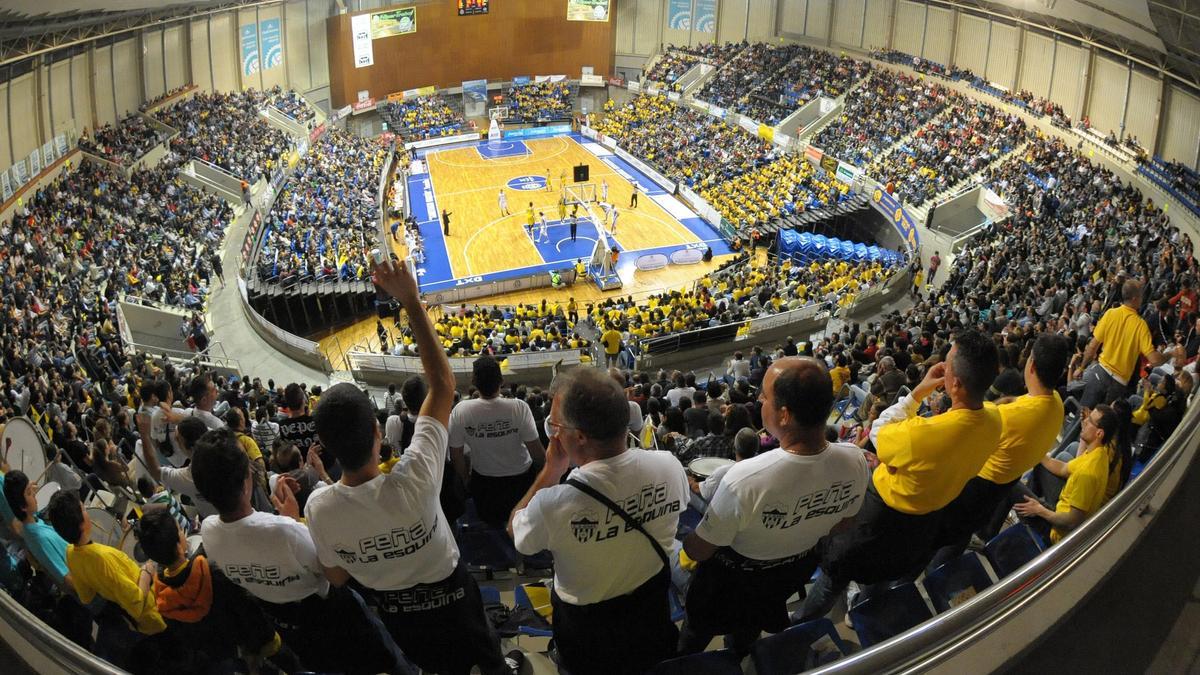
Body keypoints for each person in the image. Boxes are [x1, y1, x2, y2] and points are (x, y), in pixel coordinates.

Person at [304, 260, 514, 675]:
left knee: (432, 665)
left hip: (397, 613)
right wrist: (411, 303)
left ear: (325, 447)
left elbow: (336, 576)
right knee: (485, 656)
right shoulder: (415, 475)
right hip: (452, 595)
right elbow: (442, 385)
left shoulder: (318, 508)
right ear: (378, 433)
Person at [796, 330, 1002, 622]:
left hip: (879, 519)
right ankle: (862, 615)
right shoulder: (995, 420)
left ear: (953, 383)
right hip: (925, 524)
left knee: (834, 576)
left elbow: (879, 431)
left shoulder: (922, 435)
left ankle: (801, 623)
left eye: (948, 363)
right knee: (884, 577)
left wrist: (918, 392)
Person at [679, 358, 869, 655]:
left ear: (783, 414)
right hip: (782, 580)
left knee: (694, 636)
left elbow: (698, 550)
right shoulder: (856, 460)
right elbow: (845, 522)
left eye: (764, 396)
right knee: (748, 629)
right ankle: (740, 655)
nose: (759, 400)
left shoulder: (744, 479)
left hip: (728, 585)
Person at [510, 367, 689, 675]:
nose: (554, 434)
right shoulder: (669, 466)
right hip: (650, 613)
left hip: (586, 633)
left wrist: (552, 471)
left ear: (578, 436)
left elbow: (517, 531)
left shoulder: (554, 503)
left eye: (556, 426)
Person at [191, 428, 411, 674]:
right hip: (332, 614)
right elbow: (334, 572)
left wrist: (283, 521)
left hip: (290, 628)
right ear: (246, 483)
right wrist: (292, 521)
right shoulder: (286, 532)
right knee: (385, 657)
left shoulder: (209, 533)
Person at [927, 333, 1071, 570]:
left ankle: (936, 573)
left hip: (977, 485)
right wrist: (1006, 402)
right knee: (965, 529)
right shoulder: (1054, 403)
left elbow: (961, 434)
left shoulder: (1004, 419)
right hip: (1005, 482)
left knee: (947, 534)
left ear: (1031, 365)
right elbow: (1023, 403)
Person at [137, 510, 291, 674]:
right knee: (289, 663)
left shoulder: (162, 599)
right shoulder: (213, 573)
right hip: (259, 640)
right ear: (178, 545)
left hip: (230, 653)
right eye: (180, 531)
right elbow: (248, 609)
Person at [47, 490, 165, 668]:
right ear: (81, 523)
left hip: (126, 615)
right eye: (83, 509)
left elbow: (86, 596)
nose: (87, 511)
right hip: (154, 616)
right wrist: (147, 572)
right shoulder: (104, 558)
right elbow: (138, 602)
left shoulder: (70, 553)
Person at [449, 355, 546, 529]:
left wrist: (466, 480)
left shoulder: (460, 411)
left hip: (485, 484)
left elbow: (456, 455)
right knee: (522, 523)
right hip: (521, 481)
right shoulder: (519, 408)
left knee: (491, 525)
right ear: (501, 381)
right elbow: (538, 454)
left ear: (474, 383)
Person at [1013, 404, 1130, 543]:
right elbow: (1064, 468)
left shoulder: (1088, 473)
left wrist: (1039, 510)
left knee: (1012, 485)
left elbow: (1071, 522)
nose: (1085, 421)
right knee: (1044, 464)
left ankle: (1000, 529)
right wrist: (1038, 450)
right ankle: (1026, 512)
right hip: (1061, 506)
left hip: (1057, 531)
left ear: (1099, 433)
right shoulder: (1099, 452)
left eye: (1090, 421)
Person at [1079, 279, 1168, 410]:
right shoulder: (1140, 325)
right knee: (1098, 424)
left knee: (1081, 415)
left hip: (1100, 372)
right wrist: (1170, 354)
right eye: (1141, 295)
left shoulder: (1110, 313)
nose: (1142, 298)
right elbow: (1154, 360)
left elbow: (1092, 346)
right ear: (1134, 298)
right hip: (1118, 384)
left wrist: (1081, 368)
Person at [3, 470, 73, 590]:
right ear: (22, 507)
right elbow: (67, 579)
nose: (35, 493)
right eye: (29, 493)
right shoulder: (39, 539)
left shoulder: (34, 522)